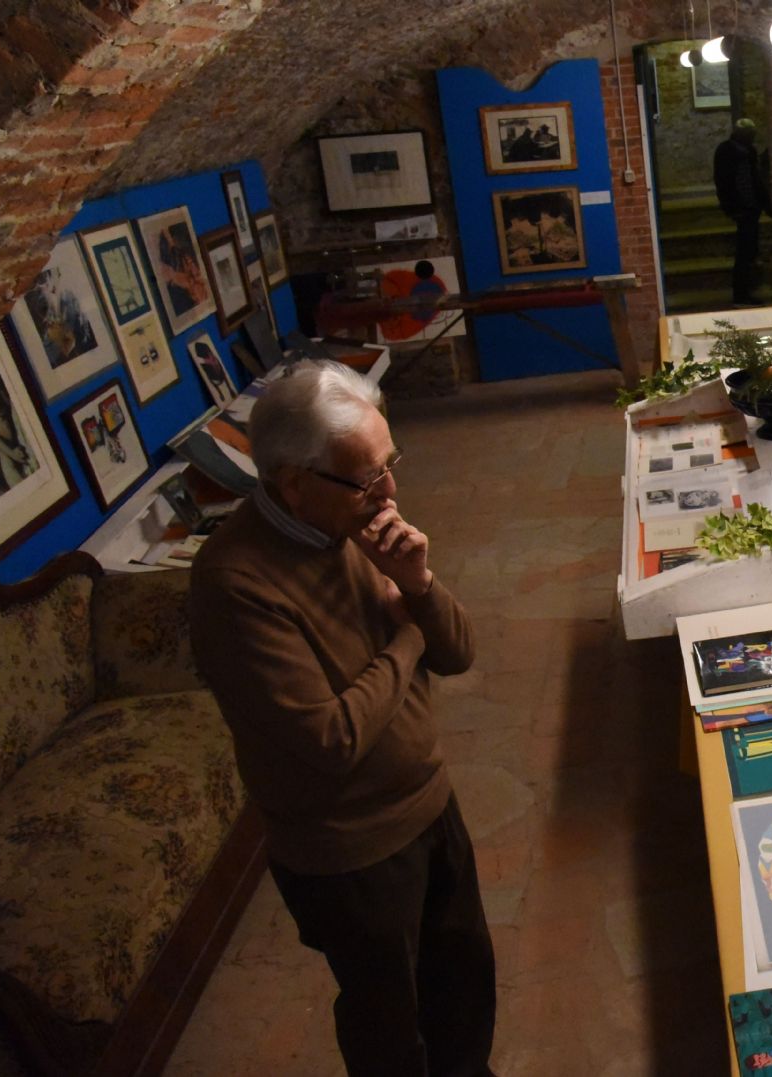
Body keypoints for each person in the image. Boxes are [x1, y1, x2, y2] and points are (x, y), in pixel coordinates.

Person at [187, 361, 495, 1077]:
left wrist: (418, 585)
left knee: (463, 982)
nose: (389, 493)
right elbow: (330, 740)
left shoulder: (348, 526)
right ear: (293, 482)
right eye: (367, 478)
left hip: (430, 806)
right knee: (391, 1025)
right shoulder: (235, 584)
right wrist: (407, 637)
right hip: (352, 852)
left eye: (390, 464)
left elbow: (458, 653)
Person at [713, 117, 770, 307]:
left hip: (750, 207)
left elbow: (755, 181)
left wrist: (764, 205)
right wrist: (732, 208)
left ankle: (745, 293)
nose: (752, 137)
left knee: (749, 252)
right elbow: (724, 183)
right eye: (749, 134)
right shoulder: (727, 151)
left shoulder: (748, 151)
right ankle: (741, 295)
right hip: (741, 208)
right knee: (744, 254)